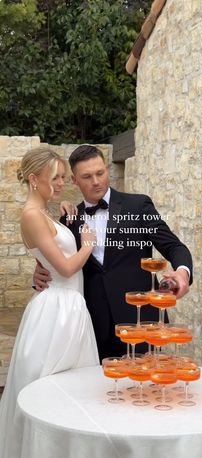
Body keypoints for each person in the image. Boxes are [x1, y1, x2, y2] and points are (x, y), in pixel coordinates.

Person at [34, 145, 193, 361]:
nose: (96, 181)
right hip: (92, 325)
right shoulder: (69, 219)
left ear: (107, 169)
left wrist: (183, 272)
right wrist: (39, 274)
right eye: (87, 176)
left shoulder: (138, 206)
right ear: (74, 180)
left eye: (100, 173)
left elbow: (174, 247)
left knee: (144, 390)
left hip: (141, 321)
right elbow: (57, 261)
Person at [0, 147, 99, 458]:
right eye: (55, 178)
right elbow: (67, 268)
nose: (60, 183)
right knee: (50, 389)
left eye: (63, 178)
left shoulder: (42, 214)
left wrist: (63, 217)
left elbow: (50, 256)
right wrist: (87, 245)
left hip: (69, 306)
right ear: (33, 179)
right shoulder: (32, 215)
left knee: (71, 390)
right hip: (57, 312)